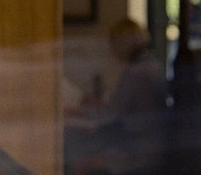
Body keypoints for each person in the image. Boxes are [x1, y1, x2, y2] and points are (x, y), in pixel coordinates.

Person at [65, 18, 169, 174]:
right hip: (148, 145)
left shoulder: (137, 73)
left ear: (123, 43)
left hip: (137, 150)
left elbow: (112, 116)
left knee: (79, 160)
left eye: (113, 43)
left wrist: (77, 112)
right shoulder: (152, 65)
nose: (111, 48)